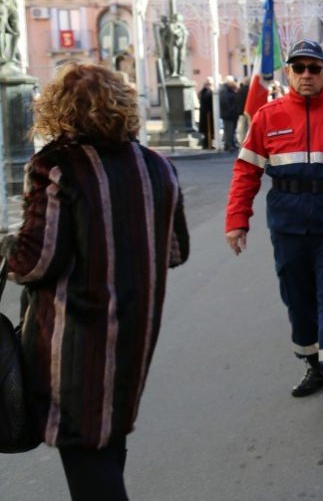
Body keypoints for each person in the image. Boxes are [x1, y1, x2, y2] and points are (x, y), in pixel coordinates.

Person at [1, 63, 189, 501]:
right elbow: (175, 251)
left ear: (59, 110)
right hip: (134, 334)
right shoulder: (157, 166)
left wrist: (8, 246)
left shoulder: (56, 166)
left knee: (88, 460)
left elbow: (34, 262)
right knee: (108, 444)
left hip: (75, 346)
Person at [225, 40, 323, 412]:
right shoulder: (267, 116)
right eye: (299, 68)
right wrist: (237, 220)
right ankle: (313, 365)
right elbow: (246, 171)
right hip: (288, 223)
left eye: (314, 68)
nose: (307, 75)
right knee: (298, 298)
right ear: (288, 72)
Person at [219, 75, 241, 152]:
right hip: (228, 114)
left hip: (232, 114)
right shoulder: (224, 90)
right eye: (233, 81)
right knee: (229, 130)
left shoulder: (231, 89)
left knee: (232, 130)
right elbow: (224, 102)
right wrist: (232, 110)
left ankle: (231, 143)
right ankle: (229, 145)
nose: (235, 83)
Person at [199, 76, 214, 149]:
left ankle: (207, 144)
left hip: (206, 114)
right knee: (208, 131)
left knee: (208, 132)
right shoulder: (207, 92)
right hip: (208, 114)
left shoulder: (203, 91)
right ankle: (208, 144)